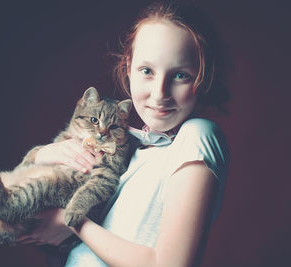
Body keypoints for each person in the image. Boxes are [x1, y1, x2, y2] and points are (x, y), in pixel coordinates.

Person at [19, 1, 229, 266]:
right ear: (128, 68)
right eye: (147, 71)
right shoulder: (131, 144)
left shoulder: (198, 135)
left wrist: (71, 220)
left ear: (203, 77)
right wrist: (41, 156)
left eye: (180, 75)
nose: (159, 93)